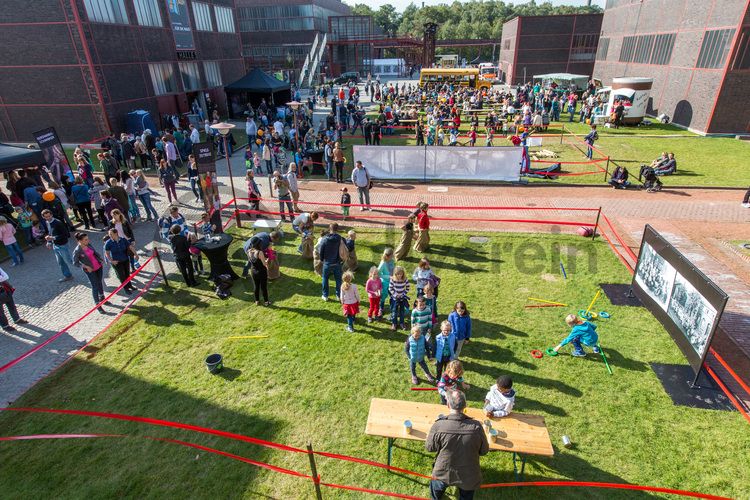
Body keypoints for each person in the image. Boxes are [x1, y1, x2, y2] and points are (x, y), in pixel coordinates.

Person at [426, 389, 488, 500]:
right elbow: (484, 451)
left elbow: (430, 448)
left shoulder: (438, 425)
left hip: (442, 472)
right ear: (465, 405)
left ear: (448, 405)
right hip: (469, 474)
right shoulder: (477, 426)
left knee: (435, 493)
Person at [72, 232, 108, 310]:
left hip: (98, 267)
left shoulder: (89, 245)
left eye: (88, 239)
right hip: (90, 271)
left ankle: (102, 297)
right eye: (86, 240)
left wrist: (100, 259)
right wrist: (85, 266)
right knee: (94, 286)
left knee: (99, 282)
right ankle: (98, 305)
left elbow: (94, 253)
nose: (88, 240)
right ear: (80, 241)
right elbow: (75, 263)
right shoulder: (77, 250)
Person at [41, 209, 73, 282]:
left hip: (63, 245)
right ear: (43, 217)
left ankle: (88, 268)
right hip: (55, 245)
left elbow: (66, 235)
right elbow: (50, 232)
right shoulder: (47, 222)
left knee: (69, 261)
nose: (48, 218)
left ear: (52, 215)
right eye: (46, 217)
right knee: (61, 262)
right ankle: (68, 275)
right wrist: (49, 242)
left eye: (49, 216)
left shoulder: (58, 223)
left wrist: (53, 238)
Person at [318, 223, 347, 301]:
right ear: (337, 229)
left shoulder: (324, 239)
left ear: (329, 229)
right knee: (338, 280)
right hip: (337, 263)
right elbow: (345, 247)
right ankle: (338, 295)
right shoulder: (341, 239)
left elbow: (321, 251)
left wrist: (321, 259)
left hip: (327, 263)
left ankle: (325, 295)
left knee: (325, 278)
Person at [104, 227, 137, 295]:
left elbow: (130, 247)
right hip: (116, 262)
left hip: (125, 259)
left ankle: (130, 285)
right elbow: (107, 253)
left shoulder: (123, 240)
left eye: (111, 234)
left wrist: (136, 254)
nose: (110, 236)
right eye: (109, 234)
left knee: (127, 274)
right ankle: (126, 288)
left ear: (116, 233)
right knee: (122, 275)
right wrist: (111, 261)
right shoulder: (108, 243)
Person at [0, 266, 29, 332]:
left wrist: (1, 278)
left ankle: (17, 319)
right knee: (0, 312)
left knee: (11, 305)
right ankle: (5, 326)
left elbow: (6, 276)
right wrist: (1, 278)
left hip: (4, 290)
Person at [388, 265, 410, 331]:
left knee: (402, 311)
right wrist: (395, 294)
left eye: (400, 274)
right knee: (394, 311)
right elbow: (390, 288)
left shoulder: (405, 279)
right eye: (397, 274)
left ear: (403, 273)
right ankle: (394, 323)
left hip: (402, 298)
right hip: (395, 299)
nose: (399, 275)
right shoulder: (392, 280)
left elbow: (408, 287)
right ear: (395, 274)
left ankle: (402, 323)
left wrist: (404, 294)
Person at [377, 248, 395, 319]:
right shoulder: (383, 263)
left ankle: (393, 309)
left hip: (392, 281)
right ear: (388, 256)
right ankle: (381, 309)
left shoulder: (392, 261)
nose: (393, 256)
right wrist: (388, 276)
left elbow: (393, 269)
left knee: (393, 295)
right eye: (392, 255)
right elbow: (378, 274)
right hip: (384, 283)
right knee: (383, 297)